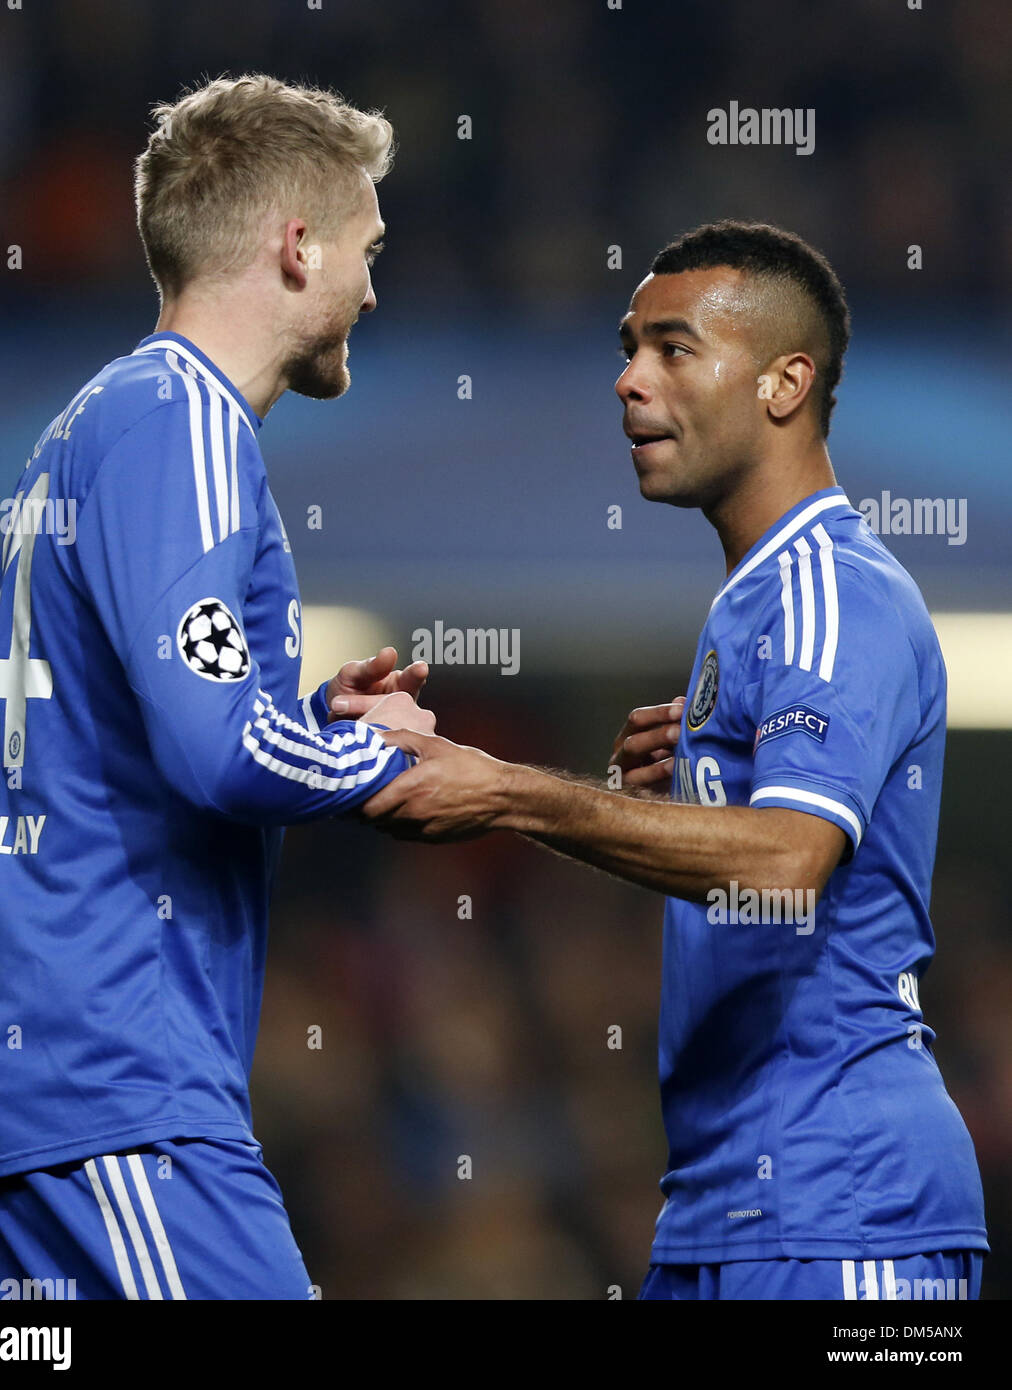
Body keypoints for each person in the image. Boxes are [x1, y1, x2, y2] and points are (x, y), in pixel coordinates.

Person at [360, 220, 989, 1301]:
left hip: (843, 1211)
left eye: (672, 349)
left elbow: (791, 859)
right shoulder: (753, 606)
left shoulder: (830, 588)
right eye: (627, 346)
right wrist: (701, 774)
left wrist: (506, 789)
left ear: (785, 383)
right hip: (727, 1210)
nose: (627, 381)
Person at [0, 74, 432, 1301]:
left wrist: (304, 722)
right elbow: (218, 754)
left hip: (61, 1082)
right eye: (368, 250)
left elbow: (167, 730)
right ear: (298, 246)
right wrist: (391, 760)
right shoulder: (185, 425)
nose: (373, 287)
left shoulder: (102, 421)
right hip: (117, 1084)